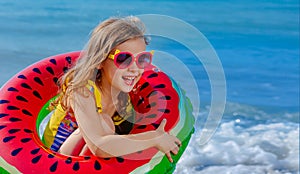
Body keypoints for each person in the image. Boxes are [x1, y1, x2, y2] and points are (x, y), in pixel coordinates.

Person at [43, 16, 181, 163]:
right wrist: (152, 138)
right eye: (123, 59)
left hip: (89, 158)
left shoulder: (126, 96)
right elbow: (99, 146)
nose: (134, 69)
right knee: (105, 122)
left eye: (142, 59)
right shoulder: (82, 91)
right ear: (100, 61)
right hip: (55, 159)